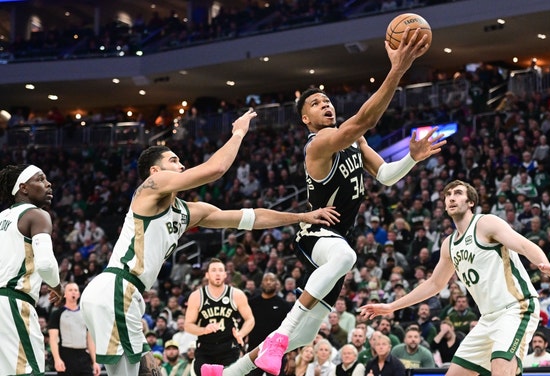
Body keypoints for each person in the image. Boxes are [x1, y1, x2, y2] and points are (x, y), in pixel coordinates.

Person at [224, 28, 440, 376]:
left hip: (339, 238)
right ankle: (279, 336)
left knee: (306, 334)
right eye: (315, 103)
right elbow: (366, 118)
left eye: (327, 100)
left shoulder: (355, 140)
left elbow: (385, 176)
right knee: (345, 257)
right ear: (305, 119)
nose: (325, 104)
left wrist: (412, 158)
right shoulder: (318, 144)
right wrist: (397, 70)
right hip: (316, 233)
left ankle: (230, 373)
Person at [79, 110, 340, 376]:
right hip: (117, 288)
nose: (181, 165)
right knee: (147, 372)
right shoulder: (152, 184)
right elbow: (216, 168)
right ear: (155, 170)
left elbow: (250, 217)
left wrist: (301, 216)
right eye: (174, 160)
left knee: (142, 373)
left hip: (123, 294)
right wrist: (238, 133)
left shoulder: (188, 211)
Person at [361, 180, 550, 376]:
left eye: (457, 193)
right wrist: (391, 307)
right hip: (487, 318)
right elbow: (434, 284)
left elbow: (524, 245)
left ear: (470, 201)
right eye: (447, 195)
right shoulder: (449, 245)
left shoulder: (485, 223)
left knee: (501, 368)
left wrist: (543, 262)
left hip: (516, 308)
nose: (451, 198)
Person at [0, 164, 63, 376]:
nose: (48, 183)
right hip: (12, 302)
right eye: (41, 179)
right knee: (30, 371)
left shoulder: (1, 218)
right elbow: (45, 263)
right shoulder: (37, 215)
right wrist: (57, 287)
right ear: (24, 188)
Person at [184, 258, 255, 375]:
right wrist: (203, 330)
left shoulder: (236, 294)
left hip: (229, 348)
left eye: (221, 270)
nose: (217, 273)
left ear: (225, 275)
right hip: (205, 349)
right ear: (207, 275)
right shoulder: (197, 296)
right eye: (214, 270)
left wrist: (241, 334)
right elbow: (188, 325)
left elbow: (250, 319)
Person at [48, 282, 101, 376]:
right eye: (70, 290)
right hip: (66, 356)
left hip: (83, 356)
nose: (73, 292)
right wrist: (57, 359)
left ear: (79, 294)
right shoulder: (57, 314)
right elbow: (53, 339)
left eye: (76, 290)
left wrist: (95, 361)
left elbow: (90, 339)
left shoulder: (85, 313)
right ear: (64, 294)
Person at [247, 273, 291, 376]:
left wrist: (291, 354)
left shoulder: (284, 305)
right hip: (254, 351)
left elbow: (290, 330)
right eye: (266, 280)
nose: (268, 282)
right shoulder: (252, 303)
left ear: (277, 284)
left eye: (271, 280)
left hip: (276, 353)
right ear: (261, 283)